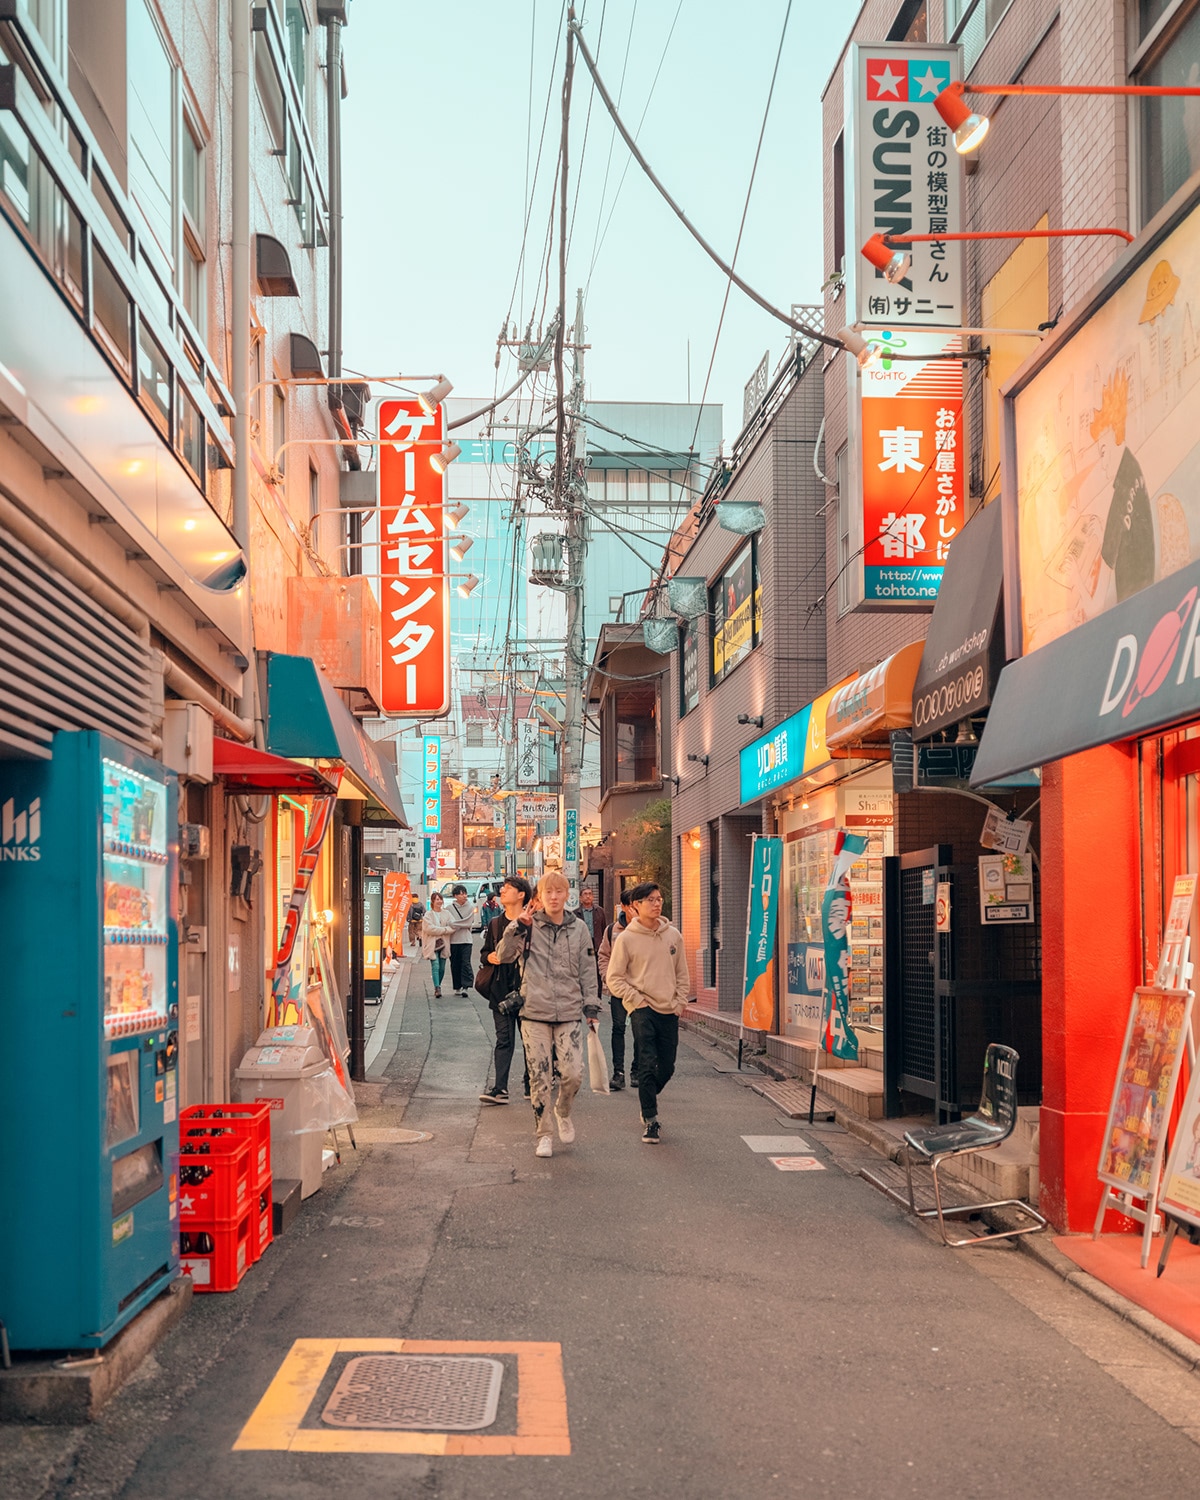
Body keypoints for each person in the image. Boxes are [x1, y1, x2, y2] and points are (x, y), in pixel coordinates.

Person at [495, 871, 600, 1157]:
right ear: (539, 897)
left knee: (573, 1074)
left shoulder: (579, 928)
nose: (554, 897)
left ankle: (563, 1110)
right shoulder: (527, 925)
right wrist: (517, 926)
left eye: (559, 892)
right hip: (533, 1011)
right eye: (548, 893)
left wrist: (592, 1007)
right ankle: (543, 1132)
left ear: (568, 895)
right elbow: (503, 955)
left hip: (568, 1011)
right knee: (539, 1076)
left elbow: (589, 969)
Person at [605, 881, 690, 1144]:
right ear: (635, 906)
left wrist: (680, 1003)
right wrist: (635, 1000)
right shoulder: (627, 938)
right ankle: (650, 1119)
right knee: (646, 1060)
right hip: (643, 1009)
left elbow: (682, 973)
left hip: (669, 1009)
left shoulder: (673, 935)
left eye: (659, 899)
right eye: (650, 900)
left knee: (667, 1066)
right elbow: (614, 978)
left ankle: (649, 1096)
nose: (656, 903)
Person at [478, 875, 533, 1105]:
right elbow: (485, 952)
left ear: (521, 895)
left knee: (530, 1039)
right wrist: (490, 956)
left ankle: (532, 1083)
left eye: (508, 889)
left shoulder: (533, 923)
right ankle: (500, 1088)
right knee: (504, 1039)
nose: (502, 891)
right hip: (500, 989)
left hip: (528, 990)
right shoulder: (495, 924)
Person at [598, 894, 637, 1090]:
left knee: (641, 1030)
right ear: (623, 906)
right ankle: (618, 1072)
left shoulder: (648, 929)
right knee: (618, 1028)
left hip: (641, 990)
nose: (635, 909)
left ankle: (637, 1070)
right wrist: (608, 978)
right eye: (632, 905)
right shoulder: (613, 929)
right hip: (619, 990)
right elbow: (603, 956)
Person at [420, 891, 455, 998]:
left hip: (444, 944)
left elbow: (453, 926)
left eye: (440, 899)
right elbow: (429, 929)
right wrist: (445, 930)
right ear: (432, 901)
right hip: (432, 944)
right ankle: (437, 987)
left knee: (442, 968)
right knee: (435, 965)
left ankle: (438, 984)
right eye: (437, 899)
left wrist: (441, 930)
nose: (439, 901)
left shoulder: (447, 913)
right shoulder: (428, 915)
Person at [446, 884, 477, 996]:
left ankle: (466, 986)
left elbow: (468, 923)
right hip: (453, 940)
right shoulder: (449, 908)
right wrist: (457, 924)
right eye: (461, 893)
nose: (464, 896)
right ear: (455, 896)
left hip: (466, 940)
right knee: (455, 963)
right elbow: (447, 922)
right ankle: (457, 986)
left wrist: (455, 924)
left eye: (465, 893)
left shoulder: (470, 907)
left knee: (466, 963)